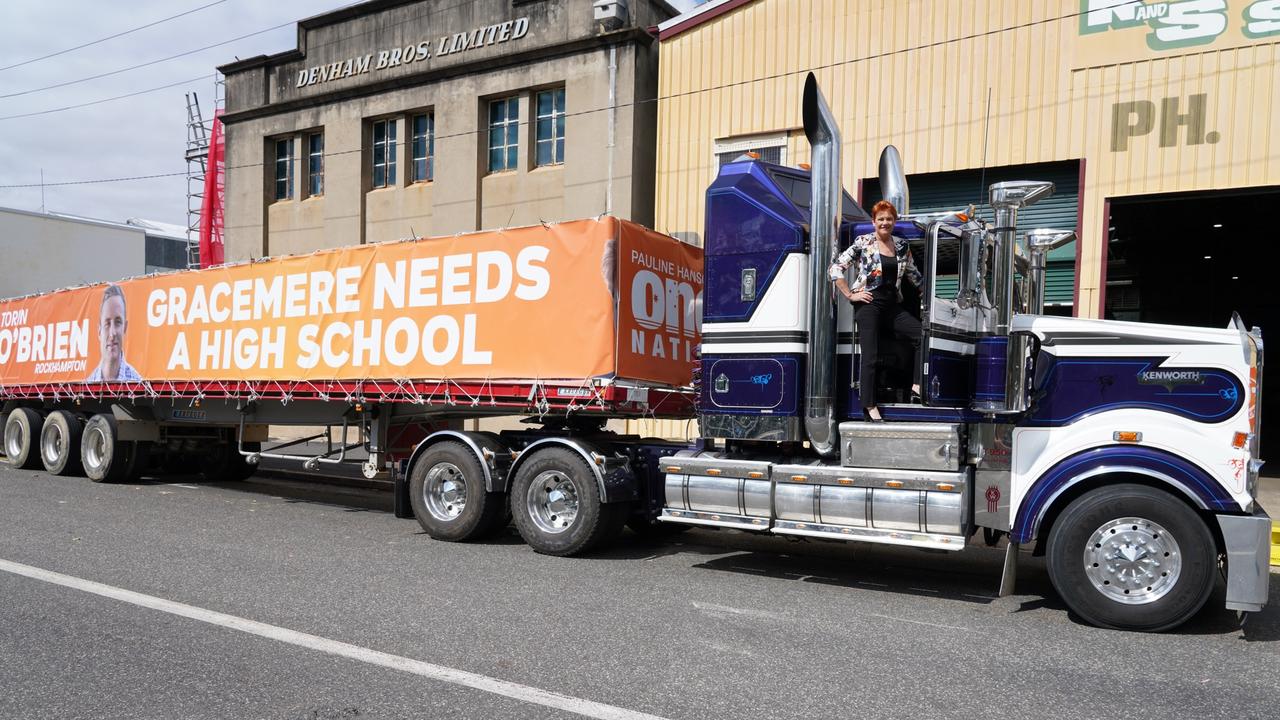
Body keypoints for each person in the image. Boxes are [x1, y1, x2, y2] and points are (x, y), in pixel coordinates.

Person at [829, 200, 922, 422]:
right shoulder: (863, 242)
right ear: (873, 221)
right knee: (870, 355)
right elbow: (835, 268)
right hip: (868, 302)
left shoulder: (901, 246)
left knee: (921, 334)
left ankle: (917, 387)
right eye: (880, 219)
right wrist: (851, 295)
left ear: (894, 221)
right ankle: (869, 406)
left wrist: (927, 295)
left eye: (889, 218)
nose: (885, 222)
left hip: (891, 304)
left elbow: (915, 276)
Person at [86, 284, 142, 382]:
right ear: (99, 331)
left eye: (118, 322)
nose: (112, 334)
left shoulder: (138, 385)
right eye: (107, 323)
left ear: (125, 327)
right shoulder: (86, 388)